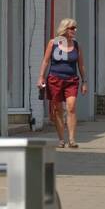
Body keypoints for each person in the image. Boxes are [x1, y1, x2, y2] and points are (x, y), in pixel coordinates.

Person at [39, 18, 86, 148]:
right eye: (72, 28)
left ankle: (71, 139)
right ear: (65, 29)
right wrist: (41, 77)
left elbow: (81, 65)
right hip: (55, 79)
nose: (75, 30)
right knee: (57, 109)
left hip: (71, 80)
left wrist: (84, 81)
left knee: (71, 107)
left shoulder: (76, 45)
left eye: (75, 28)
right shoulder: (53, 43)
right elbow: (46, 61)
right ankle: (61, 139)